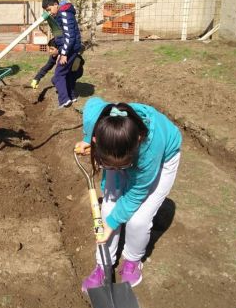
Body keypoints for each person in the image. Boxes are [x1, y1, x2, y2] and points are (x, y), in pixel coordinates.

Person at [75, 97, 182, 289]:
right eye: (109, 165)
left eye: (123, 166)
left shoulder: (149, 150)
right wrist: (86, 139)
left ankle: (132, 261)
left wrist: (112, 224)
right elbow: (91, 104)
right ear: (97, 139)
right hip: (118, 149)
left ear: (138, 140)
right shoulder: (96, 117)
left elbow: (136, 192)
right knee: (107, 211)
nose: (118, 170)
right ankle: (103, 264)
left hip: (164, 156)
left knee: (138, 220)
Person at [41, 0, 82, 108]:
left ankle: (64, 100)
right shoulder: (60, 14)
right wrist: (60, 52)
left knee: (58, 75)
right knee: (66, 74)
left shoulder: (63, 13)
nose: (50, 12)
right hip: (68, 49)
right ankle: (72, 96)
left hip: (70, 49)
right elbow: (61, 35)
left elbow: (69, 36)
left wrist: (64, 53)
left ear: (55, 4)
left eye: (50, 9)